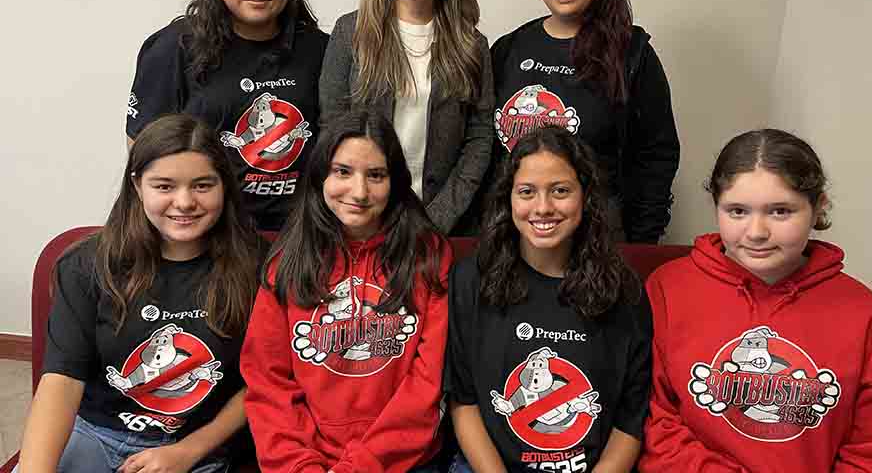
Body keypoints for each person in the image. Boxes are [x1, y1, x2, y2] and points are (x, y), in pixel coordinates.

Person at [640, 129, 872, 472]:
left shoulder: (866, 314)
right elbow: (653, 421)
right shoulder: (667, 289)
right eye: (737, 211)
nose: (757, 232)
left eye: (780, 211)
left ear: (818, 207)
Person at [18, 114, 263, 473]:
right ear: (137, 185)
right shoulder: (85, 265)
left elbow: (263, 382)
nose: (184, 202)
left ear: (223, 186)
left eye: (202, 185)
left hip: (197, 445)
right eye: (164, 186)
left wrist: (187, 452)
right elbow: (61, 380)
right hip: (95, 433)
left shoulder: (258, 267)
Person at [241, 111, 453, 473]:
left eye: (376, 175)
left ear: (395, 182)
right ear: (321, 175)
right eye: (343, 172)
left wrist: (361, 466)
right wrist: (300, 466)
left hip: (402, 462)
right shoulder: (288, 261)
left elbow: (428, 385)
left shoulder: (427, 256)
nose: (359, 192)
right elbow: (268, 382)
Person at [445, 126, 652, 473]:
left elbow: (630, 422)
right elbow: (463, 401)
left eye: (560, 191)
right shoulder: (470, 281)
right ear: (507, 198)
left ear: (585, 196)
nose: (543, 208)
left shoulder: (624, 291)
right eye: (527, 191)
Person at [127, 0, 328, 232]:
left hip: (300, 234)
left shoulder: (319, 49)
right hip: (210, 233)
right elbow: (143, 150)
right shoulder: (174, 47)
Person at [489, 0, 679, 243]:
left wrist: (640, 245)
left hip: (598, 246)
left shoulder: (632, 54)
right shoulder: (508, 49)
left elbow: (657, 158)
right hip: (511, 241)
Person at [319, 0, 493, 235]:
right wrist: (363, 208)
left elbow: (480, 138)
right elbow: (331, 127)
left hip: (443, 227)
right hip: (359, 221)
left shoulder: (472, 44)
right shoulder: (349, 33)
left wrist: (436, 220)